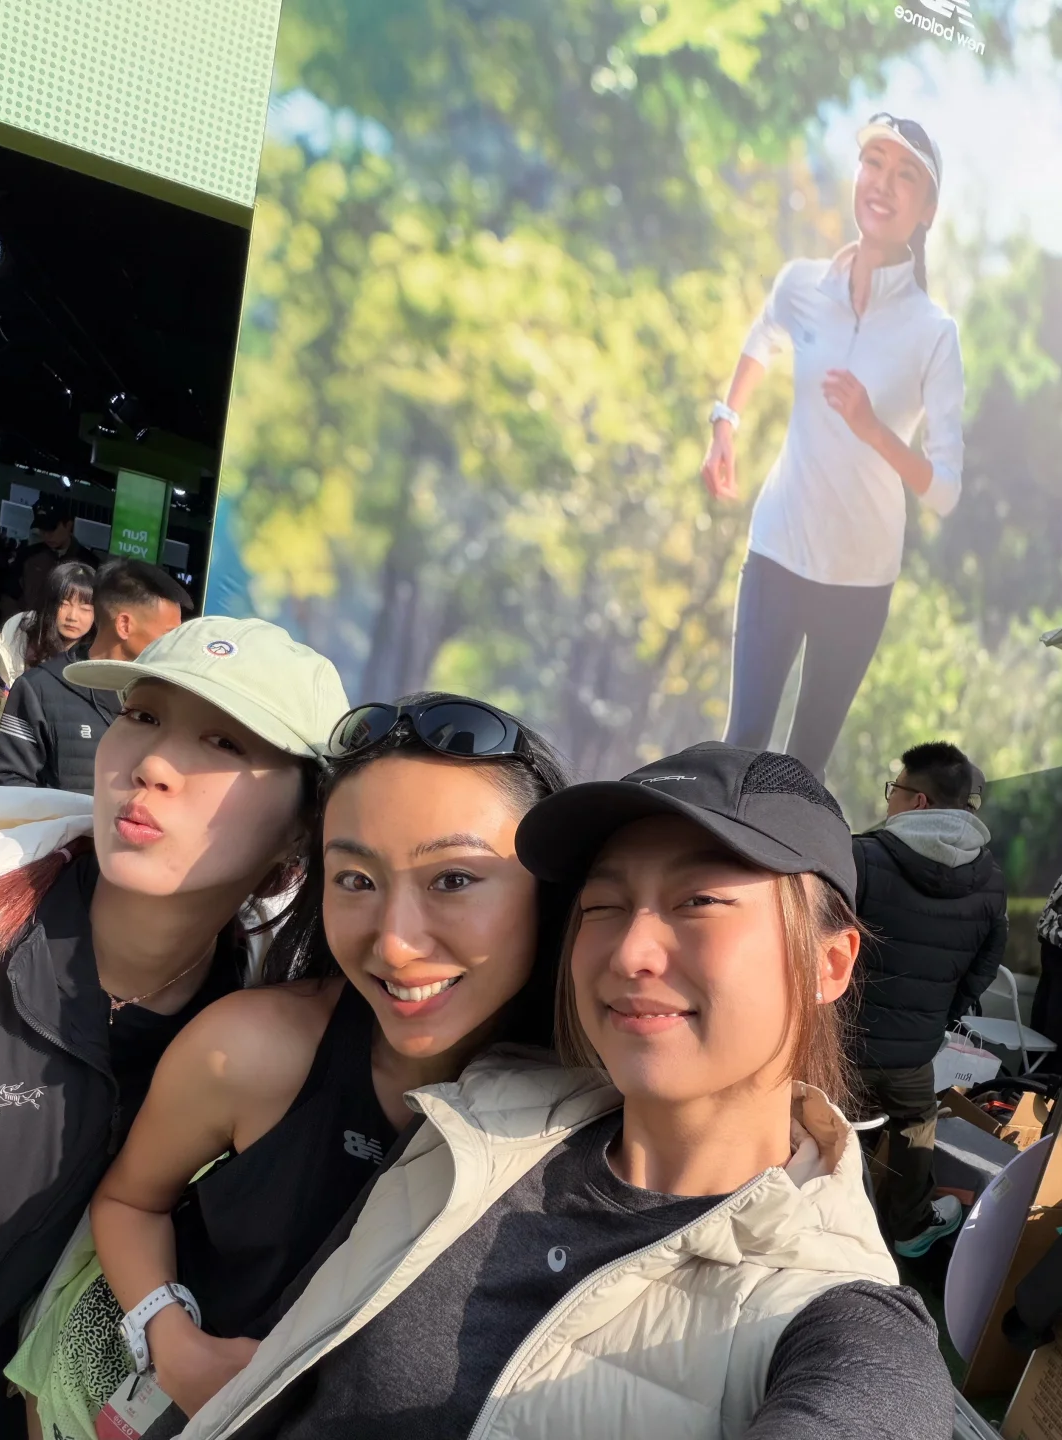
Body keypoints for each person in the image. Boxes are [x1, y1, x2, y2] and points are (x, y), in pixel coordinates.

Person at [178, 743, 952, 1440]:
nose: (630, 950)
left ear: (830, 963)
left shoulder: (837, 1317)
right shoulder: (480, 1108)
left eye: (699, 901)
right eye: (602, 906)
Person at [8, 695, 573, 1438]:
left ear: (551, 889)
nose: (395, 943)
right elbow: (129, 1202)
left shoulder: (593, 1115)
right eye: (356, 880)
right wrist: (171, 1341)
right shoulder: (252, 1049)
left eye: (454, 879)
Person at [0, 616, 345, 1440]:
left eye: (222, 742)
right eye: (142, 716)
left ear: (304, 824)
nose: (150, 766)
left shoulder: (258, 1036)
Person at [703, 113, 963, 780]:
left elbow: (945, 491)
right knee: (741, 744)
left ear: (927, 210)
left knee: (800, 771)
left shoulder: (933, 333)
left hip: (859, 580)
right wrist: (726, 420)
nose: (883, 183)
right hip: (778, 548)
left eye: (906, 176)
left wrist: (873, 429)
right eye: (873, 163)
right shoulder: (802, 284)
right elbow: (762, 338)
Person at [853, 741, 1007, 1257]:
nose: (889, 800)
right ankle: (912, 1226)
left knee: (821, 1125)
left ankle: (823, 1221)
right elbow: (984, 966)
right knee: (916, 1120)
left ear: (917, 800)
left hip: (838, 1043)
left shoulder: (862, 856)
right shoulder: (991, 880)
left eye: (894, 789)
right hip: (914, 1052)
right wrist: (938, 1017)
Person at [0, 559, 189, 793]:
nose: (174, 644)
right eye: (169, 634)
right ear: (124, 625)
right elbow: (9, 784)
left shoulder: (169, 697)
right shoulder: (38, 688)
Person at [3, 497, 98, 619]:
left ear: (68, 525)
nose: (46, 535)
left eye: (52, 528)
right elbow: (9, 596)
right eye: (42, 529)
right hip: (27, 626)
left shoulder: (89, 564)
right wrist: (18, 623)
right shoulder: (28, 556)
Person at [1031, 874, 1062, 1050]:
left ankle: (1033, 1066)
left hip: (1051, 939)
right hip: (1055, 942)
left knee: (1043, 1025)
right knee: (1052, 1033)